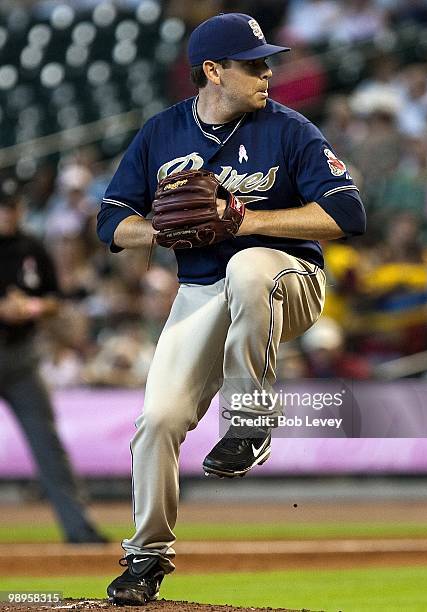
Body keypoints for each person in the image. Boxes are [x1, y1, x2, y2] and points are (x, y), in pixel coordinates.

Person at [97, 13, 366, 605]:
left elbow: (348, 216)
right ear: (213, 72)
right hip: (201, 291)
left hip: (287, 280)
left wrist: (244, 221)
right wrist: (159, 233)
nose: (268, 71)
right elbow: (111, 222)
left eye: (266, 60)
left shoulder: (290, 130)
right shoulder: (162, 134)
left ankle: (249, 417)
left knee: (248, 266)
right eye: (253, 63)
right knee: (158, 422)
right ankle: (146, 557)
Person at [0, 177, 106, 544]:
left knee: (48, 445)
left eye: (10, 207)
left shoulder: (30, 246)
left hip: (20, 359)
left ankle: (78, 528)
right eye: (1, 207)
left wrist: (28, 307)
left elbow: (55, 299)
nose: (6, 214)